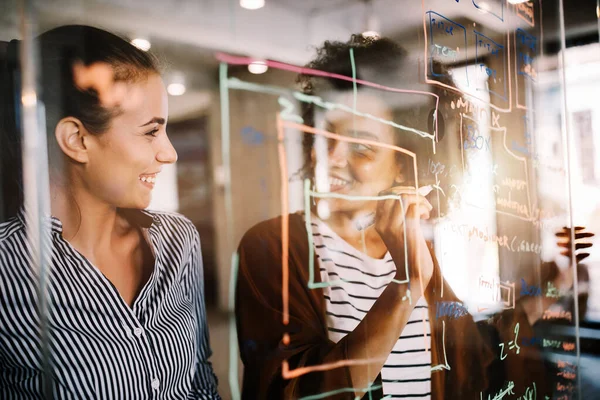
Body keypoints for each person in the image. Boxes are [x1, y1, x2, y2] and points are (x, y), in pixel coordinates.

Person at [234, 34, 591, 399]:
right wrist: (405, 286)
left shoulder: (409, 251)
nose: (329, 158)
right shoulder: (274, 247)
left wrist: (556, 283)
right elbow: (291, 391)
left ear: (404, 167)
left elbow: (474, 353)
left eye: (361, 147)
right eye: (325, 135)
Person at [0, 25, 220, 398]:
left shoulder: (179, 241)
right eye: (151, 131)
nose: (170, 153)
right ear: (77, 140)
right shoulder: (8, 266)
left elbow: (200, 381)